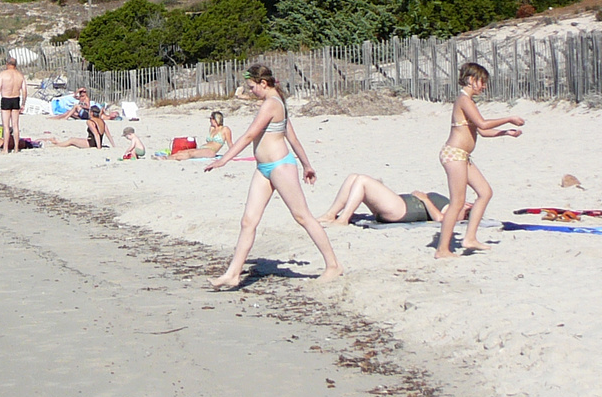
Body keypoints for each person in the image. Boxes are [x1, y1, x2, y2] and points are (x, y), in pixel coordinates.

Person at [205, 63, 343, 288]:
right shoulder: (276, 102)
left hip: (281, 166)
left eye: (252, 87)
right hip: (263, 169)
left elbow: (250, 135)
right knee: (248, 221)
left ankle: (333, 265)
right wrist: (307, 165)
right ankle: (233, 273)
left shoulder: (271, 104)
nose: (250, 91)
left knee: (302, 217)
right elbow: (292, 137)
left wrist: (224, 159)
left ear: (263, 83)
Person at [436, 62, 524, 259]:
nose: (484, 87)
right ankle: (442, 250)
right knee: (457, 202)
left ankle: (470, 238)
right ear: (471, 80)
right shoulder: (463, 99)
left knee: (485, 192)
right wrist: (509, 118)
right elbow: (482, 123)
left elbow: (483, 131)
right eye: (482, 82)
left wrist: (506, 133)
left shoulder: (469, 102)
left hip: (463, 156)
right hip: (454, 154)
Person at [317, 175, 462, 226]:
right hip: (400, 205)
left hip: (403, 209)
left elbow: (440, 218)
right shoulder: (454, 204)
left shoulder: (458, 209)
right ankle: (331, 214)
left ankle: (343, 219)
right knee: (353, 178)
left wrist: (425, 199)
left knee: (362, 181)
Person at [0, 57, 27, 152]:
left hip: (6, 98)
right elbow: (24, 90)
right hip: (16, 98)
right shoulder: (20, 75)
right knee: (15, 125)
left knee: (6, 126)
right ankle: (16, 148)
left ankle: (5, 148)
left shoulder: (3, 74)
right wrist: (23, 103)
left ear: (7, 64)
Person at [168, 111, 232, 160]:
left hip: (211, 151)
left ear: (216, 119)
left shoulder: (225, 129)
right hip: (203, 148)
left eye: (211, 118)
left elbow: (230, 143)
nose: (210, 120)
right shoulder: (212, 128)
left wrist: (233, 154)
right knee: (187, 151)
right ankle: (169, 157)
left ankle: (170, 159)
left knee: (190, 154)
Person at [46, 106, 115, 150]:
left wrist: (99, 147)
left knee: (72, 140)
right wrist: (113, 145)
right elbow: (108, 135)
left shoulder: (90, 122)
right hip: (95, 142)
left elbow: (96, 134)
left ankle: (57, 145)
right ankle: (57, 143)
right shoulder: (102, 121)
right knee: (74, 140)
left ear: (91, 113)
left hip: (92, 143)